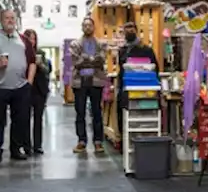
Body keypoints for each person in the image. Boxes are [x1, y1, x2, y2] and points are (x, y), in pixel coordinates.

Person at [0, 8, 36, 162]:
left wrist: (29, 82)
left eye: (12, 18)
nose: (10, 20)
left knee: (20, 120)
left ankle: (16, 149)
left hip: (20, 87)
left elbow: (32, 62)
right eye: (7, 18)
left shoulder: (24, 41)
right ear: (1, 21)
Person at [68, 16, 108, 154]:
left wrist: (85, 59)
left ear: (93, 27)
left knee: (97, 112)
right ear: (82, 27)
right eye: (85, 25)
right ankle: (81, 141)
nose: (87, 27)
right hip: (80, 82)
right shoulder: (75, 44)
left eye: (89, 25)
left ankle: (98, 142)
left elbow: (101, 60)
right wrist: (91, 60)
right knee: (80, 113)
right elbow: (76, 62)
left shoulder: (101, 44)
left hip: (96, 81)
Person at [114, 19, 159, 142]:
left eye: (131, 28)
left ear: (136, 31)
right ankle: (125, 140)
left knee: (143, 114)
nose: (129, 31)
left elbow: (155, 68)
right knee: (124, 113)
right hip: (126, 87)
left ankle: (143, 140)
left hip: (145, 88)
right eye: (126, 29)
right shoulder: (122, 50)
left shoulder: (146, 50)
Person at [24, 29, 49, 156]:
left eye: (33, 38)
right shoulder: (21, 53)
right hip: (25, 89)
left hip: (39, 90)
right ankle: (27, 146)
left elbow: (47, 70)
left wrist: (40, 65)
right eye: (28, 38)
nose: (31, 41)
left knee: (38, 119)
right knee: (25, 118)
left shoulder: (41, 53)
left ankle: (37, 145)